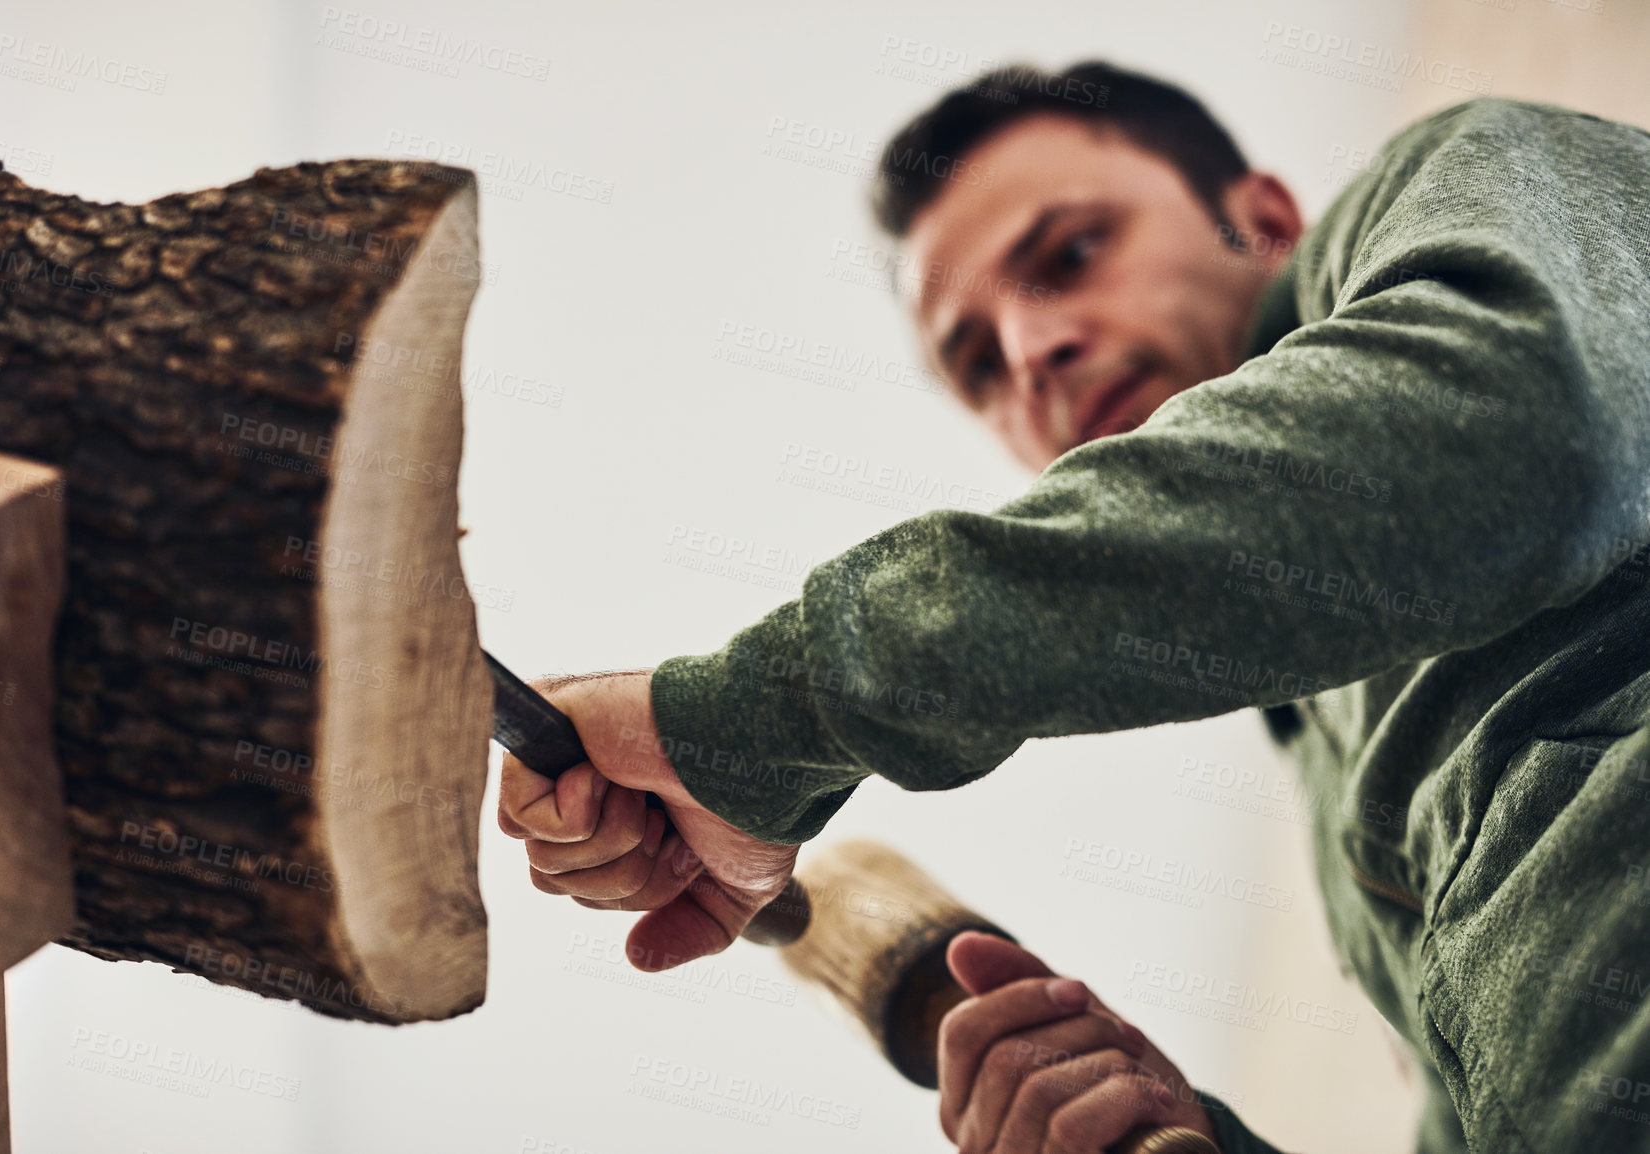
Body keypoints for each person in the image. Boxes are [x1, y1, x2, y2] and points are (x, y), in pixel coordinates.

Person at [497, 59, 1650, 1153]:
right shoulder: (1331, 766)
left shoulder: (1462, 179)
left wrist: (766, 713)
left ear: (1260, 216)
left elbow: (1525, 430)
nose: (1034, 347)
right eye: (979, 365)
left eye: (1072, 251)